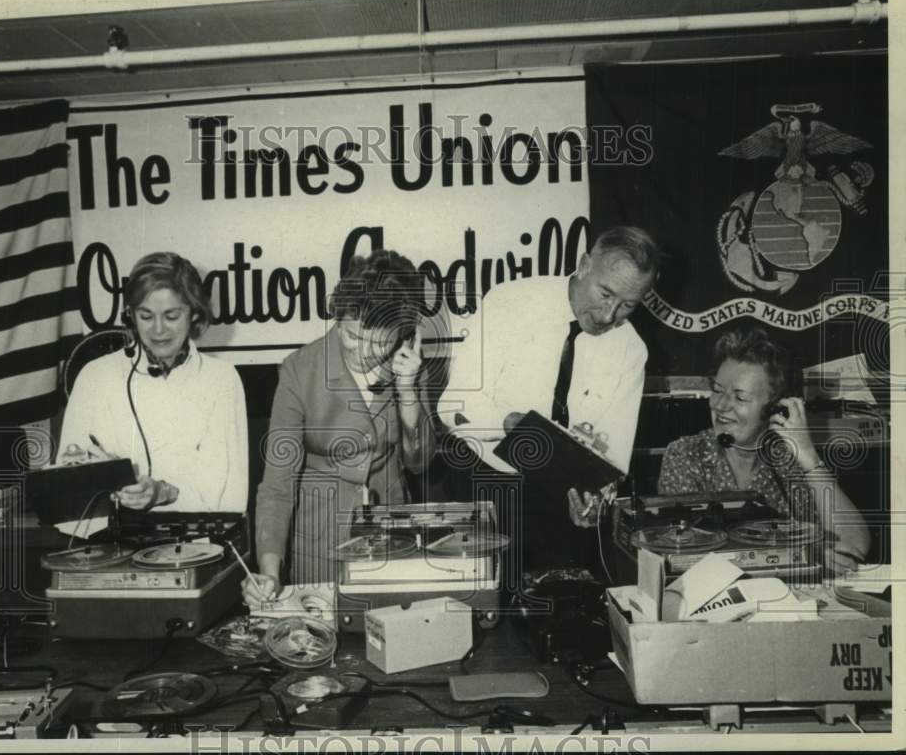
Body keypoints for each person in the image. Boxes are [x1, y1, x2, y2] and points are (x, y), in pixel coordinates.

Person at [242, 250, 436, 603]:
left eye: (379, 341)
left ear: (404, 334)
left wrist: (407, 393)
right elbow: (276, 485)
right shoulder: (299, 370)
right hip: (319, 542)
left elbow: (420, 463)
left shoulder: (410, 366)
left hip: (392, 535)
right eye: (351, 336)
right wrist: (268, 571)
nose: (361, 352)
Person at [437, 226, 659, 529]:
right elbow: (453, 405)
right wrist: (505, 421)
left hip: (560, 499)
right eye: (605, 294)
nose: (608, 316)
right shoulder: (508, 302)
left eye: (628, 306)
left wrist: (597, 503)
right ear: (583, 266)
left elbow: (614, 456)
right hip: (481, 480)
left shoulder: (631, 351)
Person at [658, 325, 870, 573]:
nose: (720, 405)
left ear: (775, 408)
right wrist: (804, 553)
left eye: (740, 397)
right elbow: (687, 556)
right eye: (717, 390)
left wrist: (809, 457)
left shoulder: (787, 460)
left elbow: (855, 545)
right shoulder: (686, 454)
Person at [58, 252, 249, 513]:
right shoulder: (94, 377)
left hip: (199, 547)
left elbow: (229, 499)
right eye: (146, 316)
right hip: (112, 548)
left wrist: (164, 493)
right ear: (130, 316)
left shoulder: (222, 379)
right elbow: (67, 494)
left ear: (194, 313)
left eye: (171, 316)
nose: (158, 330)